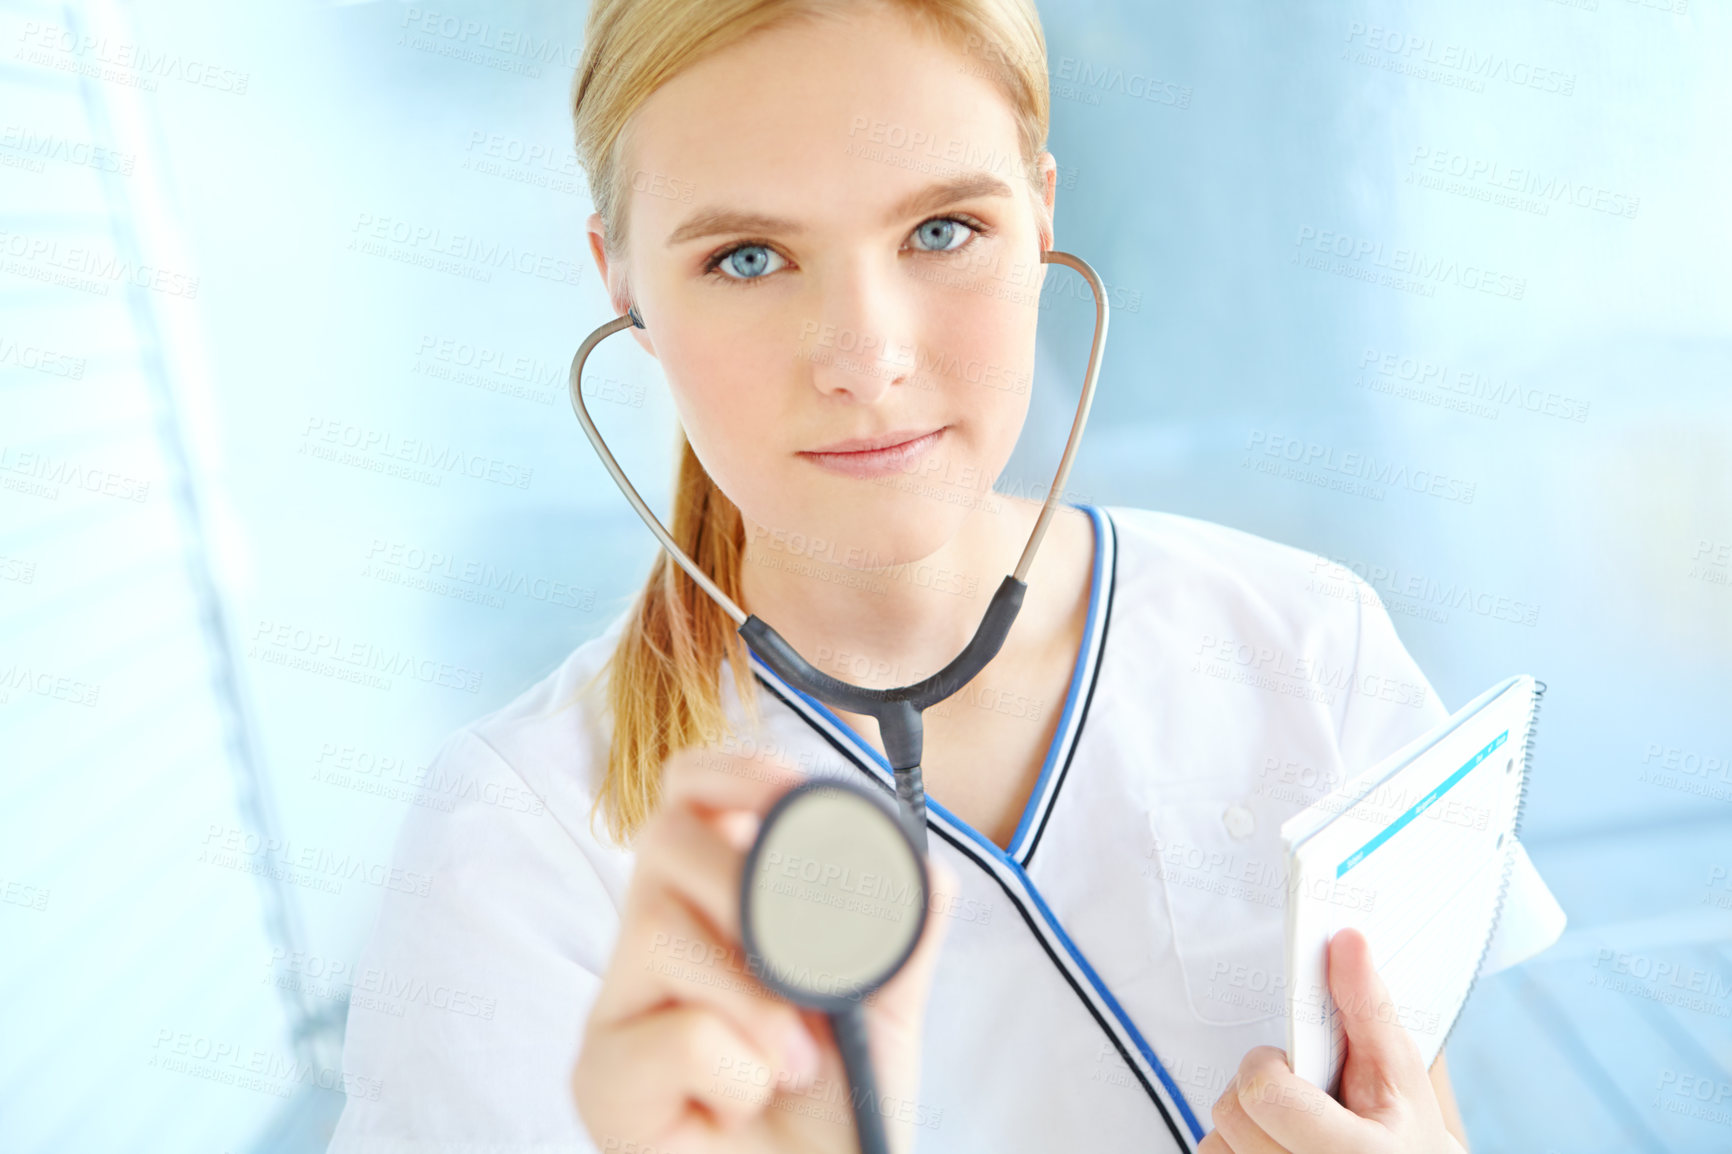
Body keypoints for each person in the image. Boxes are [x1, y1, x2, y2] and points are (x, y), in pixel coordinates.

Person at [328, 1, 1568, 1151]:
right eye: (748, 257)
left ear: (1039, 219)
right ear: (622, 282)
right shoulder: (515, 838)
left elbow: (1413, 1102)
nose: (866, 360)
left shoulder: (1303, 640)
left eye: (940, 229)